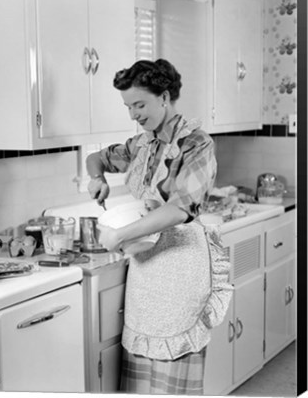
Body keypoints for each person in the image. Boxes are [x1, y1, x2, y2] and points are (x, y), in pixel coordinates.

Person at [86, 59, 233, 395]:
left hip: (182, 263)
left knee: (173, 373)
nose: (133, 115)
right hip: (147, 265)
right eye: (128, 106)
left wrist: (120, 235)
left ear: (164, 97)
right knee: (142, 370)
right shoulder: (144, 144)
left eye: (140, 104)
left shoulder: (195, 144)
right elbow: (97, 158)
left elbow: (181, 209)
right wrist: (97, 179)